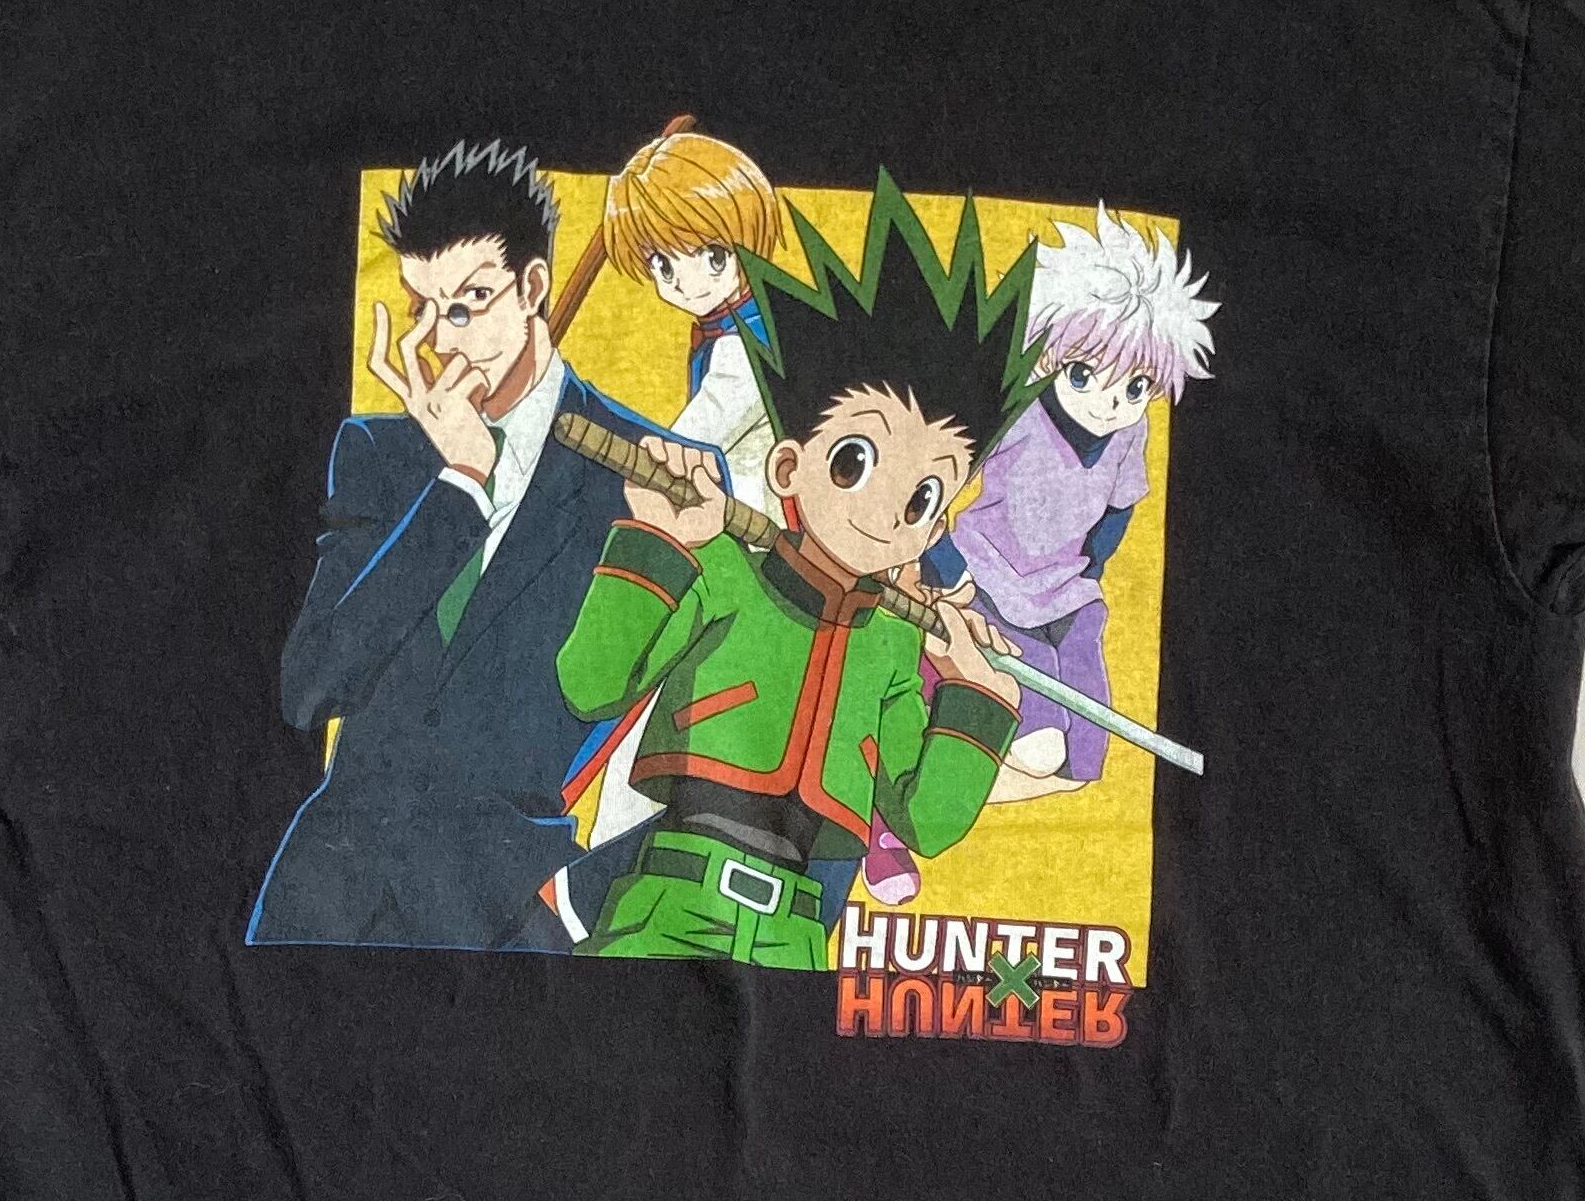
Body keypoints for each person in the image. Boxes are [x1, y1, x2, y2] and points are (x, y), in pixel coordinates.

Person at [555, 174, 1027, 966]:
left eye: (920, 499)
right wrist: (657, 542)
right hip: (668, 906)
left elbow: (927, 820)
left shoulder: (892, 644)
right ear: (789, 467)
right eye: (854, 462)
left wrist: (977, 700)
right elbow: (590, 684)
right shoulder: (723, 570)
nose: (884, 514)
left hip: (797, 942)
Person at [249, 139, 693, 948]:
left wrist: (579, 902)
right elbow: (311, 690)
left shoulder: (647, 473)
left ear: (533, 288)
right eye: (423, 308)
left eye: (468, 304)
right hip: (329, 893)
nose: (440, 342)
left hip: (505, 906)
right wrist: (458, 488)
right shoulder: (382, 453)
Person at [925, 203, 1218, 805]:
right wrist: (939, 560)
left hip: (1069, 591)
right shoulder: (1018, 412)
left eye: (1135, 387)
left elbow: (1120, 506)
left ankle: (973, 784)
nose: (1110, 402)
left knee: (1085, 753)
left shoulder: (1131, 431)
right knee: (1041, 739)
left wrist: (1093, 566)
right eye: (1084, 374)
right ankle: (949, 775)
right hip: (990, 579)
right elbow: (944, 474)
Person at [599, 125, 788, 507]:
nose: (688, 283)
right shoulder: (732, 331)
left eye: (714, 256)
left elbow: (685, 444)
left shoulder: (746, 348)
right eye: (663, 265)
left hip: (753, 524)